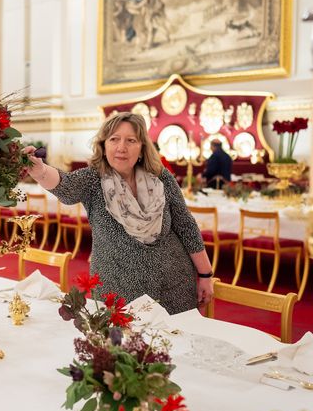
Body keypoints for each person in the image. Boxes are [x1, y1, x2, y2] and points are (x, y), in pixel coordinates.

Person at [23, 112, 214, 314]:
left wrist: (205, 274)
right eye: (114, 139)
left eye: (131, 140)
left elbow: (185, 225)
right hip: (118, 292)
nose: (121, 147)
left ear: (141, 148)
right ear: (104, 146)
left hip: (174, 289)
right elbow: (66, 186)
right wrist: (41, 171)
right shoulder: (93, 179)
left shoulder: (160, 177)